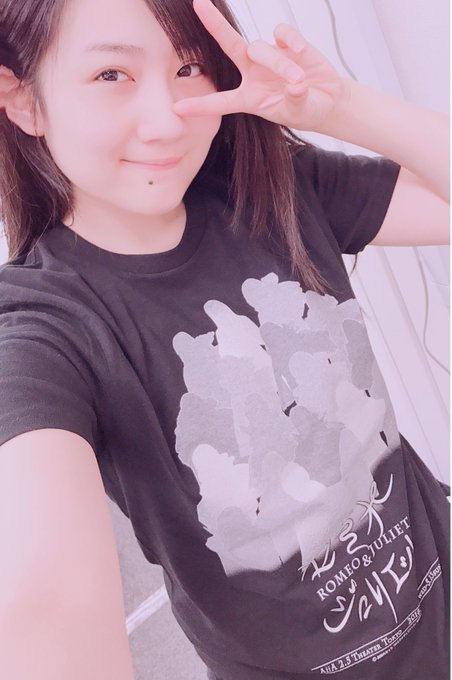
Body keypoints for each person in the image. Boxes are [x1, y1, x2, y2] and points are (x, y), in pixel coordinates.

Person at [0, 0, 449, 678]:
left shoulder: (272, 189)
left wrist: (339, 107)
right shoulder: (44, 326)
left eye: (188, 68)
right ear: (24, 100)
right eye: (111, 75)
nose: (166, 120)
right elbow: (46, 605)